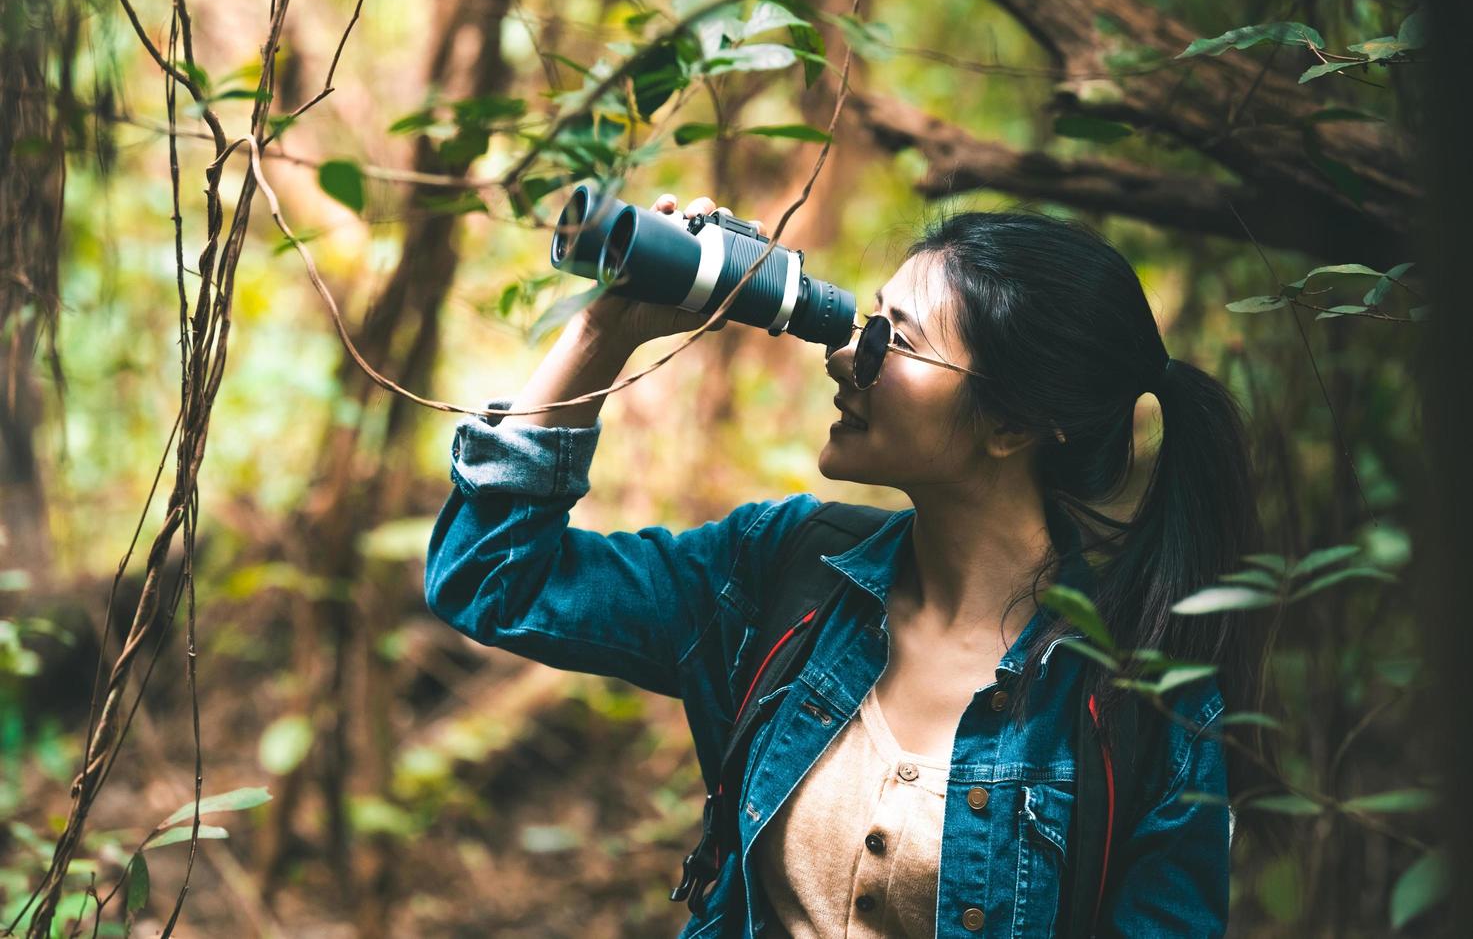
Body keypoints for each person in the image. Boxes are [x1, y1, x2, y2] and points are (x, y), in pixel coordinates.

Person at [424, 192, 1273, 937]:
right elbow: (493, 579)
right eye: (858, 326)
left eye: (885, 344)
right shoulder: (781, 573)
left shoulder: (1141, 708)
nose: (841, 357)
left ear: (1010, 424)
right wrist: (606, 327)